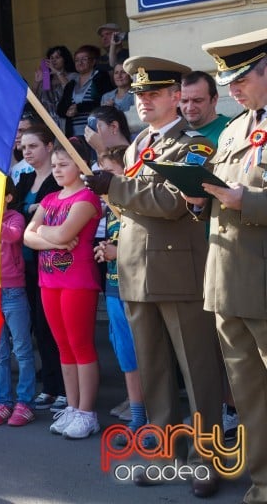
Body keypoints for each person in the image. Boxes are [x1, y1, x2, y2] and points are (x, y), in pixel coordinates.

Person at [83, 56, 221, 498]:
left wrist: (114, 186)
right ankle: (164, 455)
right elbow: (129, 208)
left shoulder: (193, 143)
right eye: (140, 94)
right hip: (136, 268)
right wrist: (111, 191)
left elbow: (173, 201)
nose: (144, 101)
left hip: (178, 269)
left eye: (154, 94)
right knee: (155, 369)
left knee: (197, 371)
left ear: (175, 98)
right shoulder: (140, 142)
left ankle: (206, 460)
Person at [194, 29, 267, 504]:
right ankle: (263, 481)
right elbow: (222, 192)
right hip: (229, 280)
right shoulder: (238, 127)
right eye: (229, 81)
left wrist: (249, 201)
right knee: (248, 394)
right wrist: (200, 199)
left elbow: (244, 197)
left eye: (240, 78)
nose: (231, 89)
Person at [24, 141, 102, 439]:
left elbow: (64, 232)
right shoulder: (50, 198)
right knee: (63, 347)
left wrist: (46, 234)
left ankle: (86, 411)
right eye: (54, 165)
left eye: (63, 165)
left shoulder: (86, 198)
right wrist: (53, 239)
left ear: (81, 166)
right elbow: (28, 237)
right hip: (49, 281)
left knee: (80, 345)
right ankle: (72, 406)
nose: (56, 170)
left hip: (77, 281)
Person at [13, 126, 65, 412]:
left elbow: (54, 214)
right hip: (24, 264)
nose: (27, 152)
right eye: (24, 148)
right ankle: (49, 385)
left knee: (52, 326)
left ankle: (61, 388)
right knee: (37, 327)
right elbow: (15, 213)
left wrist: (31, 214)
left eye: (33, 146)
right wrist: (29, 213)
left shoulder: (57, 181)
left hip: (51, 263)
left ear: (48, 146)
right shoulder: (26, 179)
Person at [93, 147, 146, 433]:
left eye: (111, 174)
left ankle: (144, 409)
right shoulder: (108, 209)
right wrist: (106, 250)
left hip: (135, 290)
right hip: (113, 287)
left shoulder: (134, 207)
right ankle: (135, 405)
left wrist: (118, 252)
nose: (105, 181)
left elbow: (148, 247)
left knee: (142, 351)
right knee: (124, 350)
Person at [0, 178, 35, 427]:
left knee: (23, 350)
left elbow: (15, 236)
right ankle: (3, 401)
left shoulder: (14, 218)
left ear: (8, 198)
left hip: (13, 290)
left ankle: (25, 402)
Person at [57, 45, 106, 138]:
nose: (80, 62)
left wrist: (79, 108)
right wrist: (67, 111)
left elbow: (103, 102)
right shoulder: (71, 84)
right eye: (77, 60)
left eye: (84, 59)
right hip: (74, 135)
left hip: (96, 132)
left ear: (93, 61)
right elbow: (60, 109)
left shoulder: (101, 77)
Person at [181, 70, 230, 144]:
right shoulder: (174, 134)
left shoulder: (232, 130)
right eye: (184, 101)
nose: (190, 108)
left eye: (197, 100)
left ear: (214, 99)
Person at [33, 46, 76, 129]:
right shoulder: (45, 79)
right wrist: (37, 82)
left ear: (65, 59)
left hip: (66, 121)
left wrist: (57, 72)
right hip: (47, 122)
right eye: (51, 58)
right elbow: (34, 100)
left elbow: (70, 91)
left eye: (57, 57)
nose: (53, 60)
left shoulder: (72, 76)